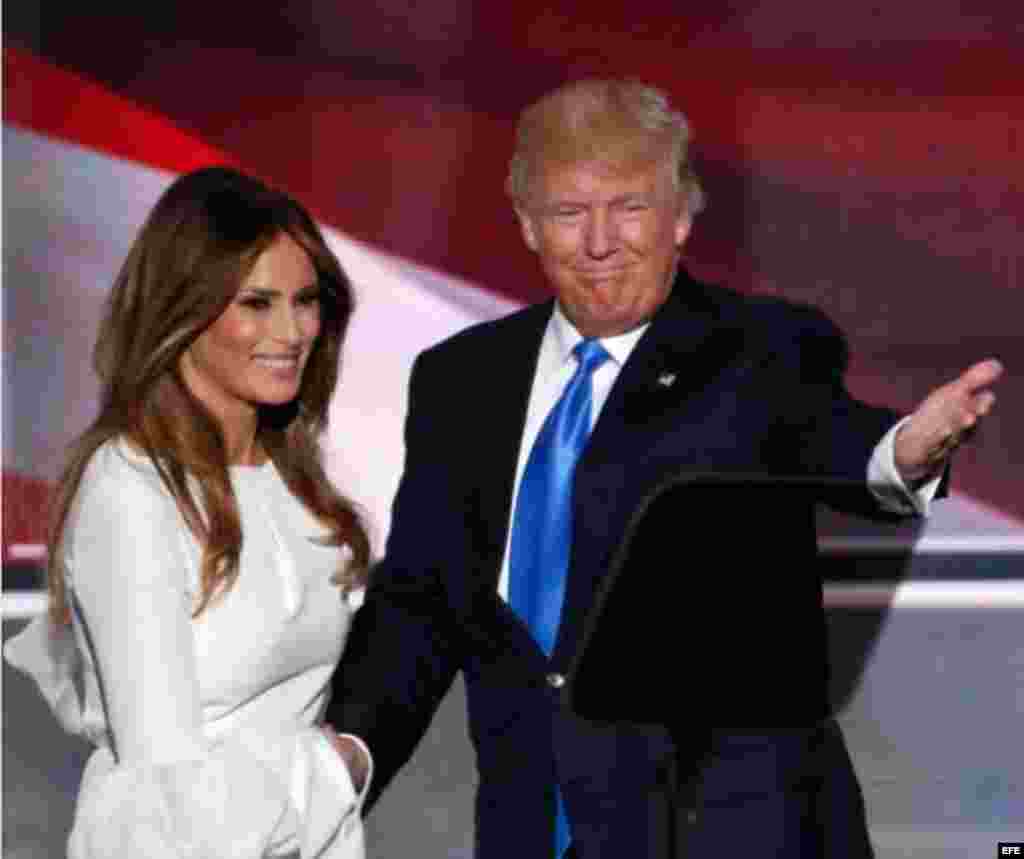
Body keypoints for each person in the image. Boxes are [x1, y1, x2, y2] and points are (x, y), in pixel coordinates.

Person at [325, 79, 1002, 858]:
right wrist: (351, 751)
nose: (601, 240)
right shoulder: (461, 379)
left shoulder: (762, 351)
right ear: (526, 225)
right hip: (530, 830)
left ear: (681, 217)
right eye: (570, 213)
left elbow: (832, 436)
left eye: (631, 206)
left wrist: (904, 450)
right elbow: (418, 604)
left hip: (725, 834)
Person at [5, 166, 374, 858]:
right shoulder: (130, 487)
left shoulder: (293, 477)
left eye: (305, 300)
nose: (292, 330)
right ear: (183, 310)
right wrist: (337, 766)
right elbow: (170, 803)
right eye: (256, 303)